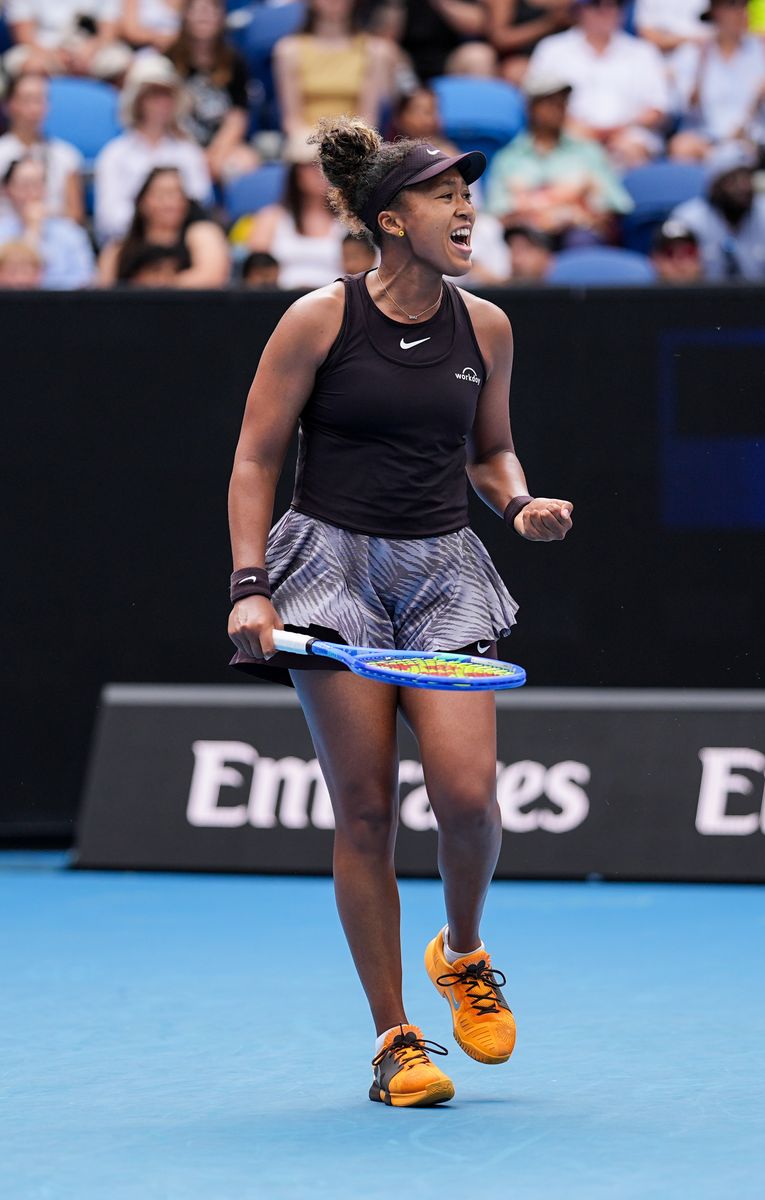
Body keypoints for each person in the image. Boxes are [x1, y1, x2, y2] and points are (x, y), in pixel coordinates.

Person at [227, 116, 574, 1107]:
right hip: (327, 568)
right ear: (391, 218)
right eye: (443, 195)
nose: (466, 208)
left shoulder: (488, 327)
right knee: (367, 809)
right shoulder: (315, 320)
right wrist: (250, 585)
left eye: (469, 193)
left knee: (468, 801)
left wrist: (518, 502)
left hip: (442, 572)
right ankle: (395, 1041)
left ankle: (460, 951)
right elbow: (255, 460)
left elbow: (489, 449)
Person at [486, 74, 633, 242]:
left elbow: (614, 204)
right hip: (526, 238)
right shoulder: (508, 158)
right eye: (549, 102)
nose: (558, 108)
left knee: (581, 239)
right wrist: (552, 207)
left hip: (577, 233)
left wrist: (580, 211)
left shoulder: (588, 151)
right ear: (531, 108)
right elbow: (497, 211)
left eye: (562, 102)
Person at [526, 0, 670, 167]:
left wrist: (618, 129)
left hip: (629, 135)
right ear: (579, 10)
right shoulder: (552, 49)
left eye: (614, 4)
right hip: (569, 133)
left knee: (630, 148)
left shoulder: (644, 52)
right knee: (568, 148)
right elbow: (537, 103)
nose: (607, 11)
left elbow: (658, 110)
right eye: (597, 4)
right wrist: (576, 128)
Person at [93, 54, 212, 243]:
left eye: (166, 95)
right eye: (153, 95)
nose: (161, 104)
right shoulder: (114, 154)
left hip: (180, 244)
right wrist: (151, 225)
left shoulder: (189, 152)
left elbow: (199, 201)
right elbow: (108, 218)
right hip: (131, 245)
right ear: (138, 100)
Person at [669, 0, 765, 161]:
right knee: (682, 146)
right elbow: (685, 109)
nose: (741, 12)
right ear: (715, 12)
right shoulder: (694, 52)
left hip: (756, 140)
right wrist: (701, 68)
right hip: (708, 141)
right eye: (732, 6)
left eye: (744, 5)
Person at [670, 139, 765, 277]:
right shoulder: (687, 220)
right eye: (732, 180)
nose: (742, 187)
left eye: (747, 177)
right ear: (714, 186)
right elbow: (675, 281)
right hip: (704, 297)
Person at [273, 0, 399, 138]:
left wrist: (344, 143)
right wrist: (315, 143)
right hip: (305, 141)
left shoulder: (375, 51)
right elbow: (292, 121)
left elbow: (369, 117)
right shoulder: (288, 50)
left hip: (354, 141)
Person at [167, 0, 259, 183]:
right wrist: (193, 153)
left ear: (222, 17)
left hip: (222, 144)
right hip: (177, 142)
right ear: (185, 15)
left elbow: (238, 113)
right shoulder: (168, 59)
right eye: (198, 10)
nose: (204, 16)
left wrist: (216, 151)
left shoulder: (234, 60)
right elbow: (165, 113)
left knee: (244, 163)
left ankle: (237, 212)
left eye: (211, 10)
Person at [97, 165, 230, 286]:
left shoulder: (202, 234)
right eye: (161, 195)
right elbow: (102, 291)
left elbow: (212, 276)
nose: (170, 203)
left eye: (177, 194)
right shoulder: (118, 251)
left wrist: (155, 289)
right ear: (142, 201)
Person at [246, 138, 344, 290]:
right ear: (295, 172)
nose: (321, 172)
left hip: (342, 305)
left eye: (329, 165)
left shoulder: (354, 219)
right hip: (280, 305)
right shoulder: (270, 218)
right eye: (312, 165)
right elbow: (256, 273)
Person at [0, 71, 84, 223]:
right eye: (27, 100)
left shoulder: (66, 154)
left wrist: (44, 215)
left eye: (39, 100)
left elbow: (75, 214)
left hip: (54, 237)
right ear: (9, 105)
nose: (34, 108)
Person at [0, 156, 94, 286]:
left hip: (60, 304)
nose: (31, 193)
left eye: (36, 185)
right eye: (24, 185)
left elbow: (85, 280)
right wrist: (32, 231)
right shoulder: (2, 232)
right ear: (8, 190)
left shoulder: (72, 233)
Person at [3, 0, 132, 79]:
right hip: (44, 51)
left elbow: (108, 30)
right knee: (20, 63)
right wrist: (54, 57)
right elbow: (24, 35)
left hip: (90, 52)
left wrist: (90, 52)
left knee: (122, 61)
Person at [485, 0, 573, 86]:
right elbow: (500, 38)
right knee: (515, 72)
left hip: (566, 53)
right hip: (524, 57)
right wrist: (548, 24)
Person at [634, 0, 709, 52]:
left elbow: (712, 37)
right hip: (657, 65)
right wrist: (690, 39)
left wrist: (667, 37)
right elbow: (648, 35)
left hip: (703, 64)